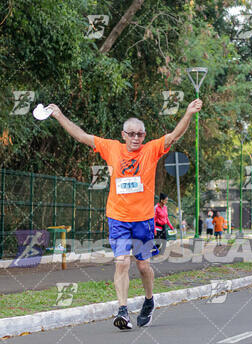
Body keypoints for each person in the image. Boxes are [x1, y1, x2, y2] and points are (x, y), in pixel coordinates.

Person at [47, 99, 203, 330]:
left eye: (140, 134)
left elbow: (173, 136)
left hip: (143, 220)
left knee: (142, 267)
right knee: (121, 262)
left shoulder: (151, 150)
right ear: (123, 135)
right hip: (118, 217)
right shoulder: (112, 148)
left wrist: (188, 113)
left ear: (144, 135)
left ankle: (149, 301)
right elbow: (81, 136)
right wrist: (59, 115)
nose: (136, 138)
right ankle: (122, 311)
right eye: (131, 134)